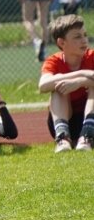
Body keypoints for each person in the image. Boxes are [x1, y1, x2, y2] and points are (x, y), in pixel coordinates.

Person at [38, 14, 94, 152]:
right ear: (62, 43)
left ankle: (86, 137)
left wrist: (80, 82)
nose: (84, 40)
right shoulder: (54, 61)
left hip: (90, 120)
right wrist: (80, 74)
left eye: (84, 35)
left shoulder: (92, 56)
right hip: (66, 121)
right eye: (77, 37)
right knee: (58, 88)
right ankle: (63, 139)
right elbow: (43, 85)